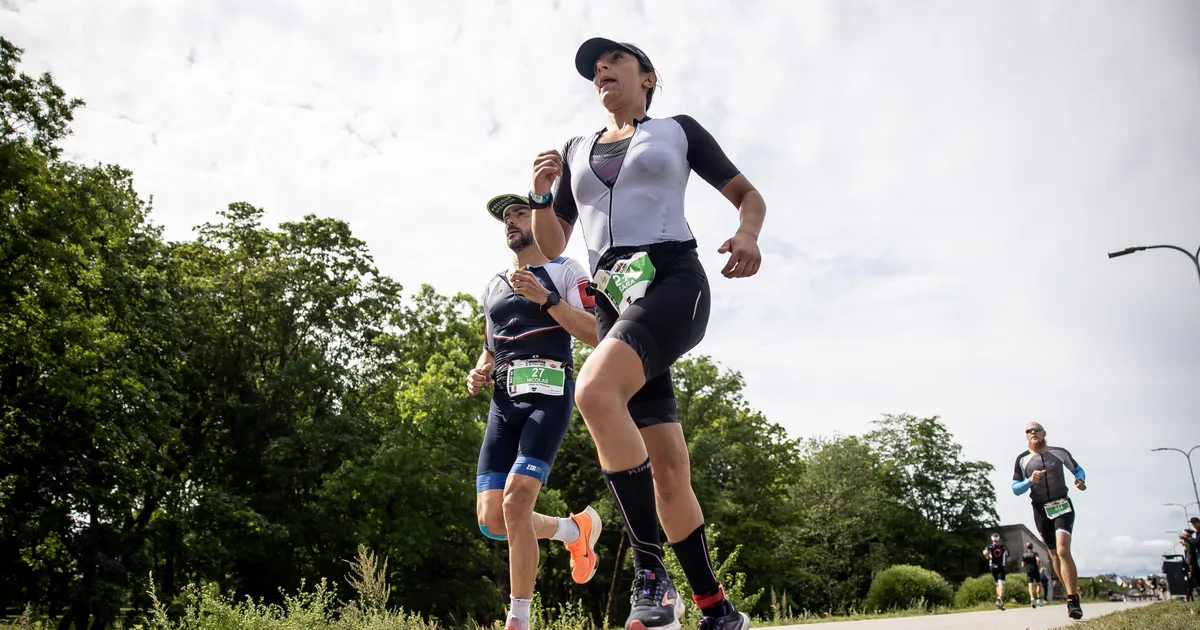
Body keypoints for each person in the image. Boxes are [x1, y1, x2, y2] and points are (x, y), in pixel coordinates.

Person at [526, 38, 766, 630]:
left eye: (613, 61)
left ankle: (651, 577)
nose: (600, 71)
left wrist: (748, 234)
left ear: (648, 76)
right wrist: (538, 195)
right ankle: (716, 608)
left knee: (593, 392)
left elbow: (747, 194)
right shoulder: (576, 149)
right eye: (593, 69)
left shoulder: (677, 131)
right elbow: (553, 245)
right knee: (665, 469)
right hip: (614, 300)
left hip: (672, 281)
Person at [469, 193, 604, 630]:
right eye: (505, 217)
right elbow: (489, 349)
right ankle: (573, 532)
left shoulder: (566, 269)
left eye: (519, 213)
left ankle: (518, 618)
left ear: (540, 219)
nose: (510, 222)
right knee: (493, 520)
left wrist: (547, 300)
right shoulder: (491, 285)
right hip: (503, 404)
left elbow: (595, 334)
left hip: (548, 393)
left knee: (517, 500)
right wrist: (479, 371)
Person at [1012, 421, 1087, 620]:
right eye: (1028, 431)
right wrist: (1030, 480)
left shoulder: (1060, 453)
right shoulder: (1022, 460)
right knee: (1053, 554)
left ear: (1044, 433)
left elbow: (1078, 470)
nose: (1033, 432)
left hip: (1062, 505)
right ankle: (1072, 594)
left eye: (1036, 429)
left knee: (1063, 550)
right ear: (1026, 436)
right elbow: (1015, 489)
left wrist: (1080, 480)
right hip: (1040, 509)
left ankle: (1072, 600)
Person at [983, 533, 1010, 610]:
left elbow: (985, 552)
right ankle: (999, 598)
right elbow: (1009, 558)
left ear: (992, 539)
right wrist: (1006, 559)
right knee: (1001, 583)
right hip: (1001, 567)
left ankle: (1001, 603)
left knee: (997, 584)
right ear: (999, 539)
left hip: (992, 567)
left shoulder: (989, 546)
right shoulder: (1003, 547)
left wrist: (986, 556)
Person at [1020, 542, 1042, 607]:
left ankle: (1032, 598)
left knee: (1030, 585)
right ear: (1032, 547)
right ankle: (1038, 599)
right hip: (1035, 569)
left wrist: (1026, 564)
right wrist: (1038, 564)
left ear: (1027, 548)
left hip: (1029, 570)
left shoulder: (1024, 555)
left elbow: (1022, 565)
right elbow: (1038, 559)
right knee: (1039, 584)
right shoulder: (1035, 553)